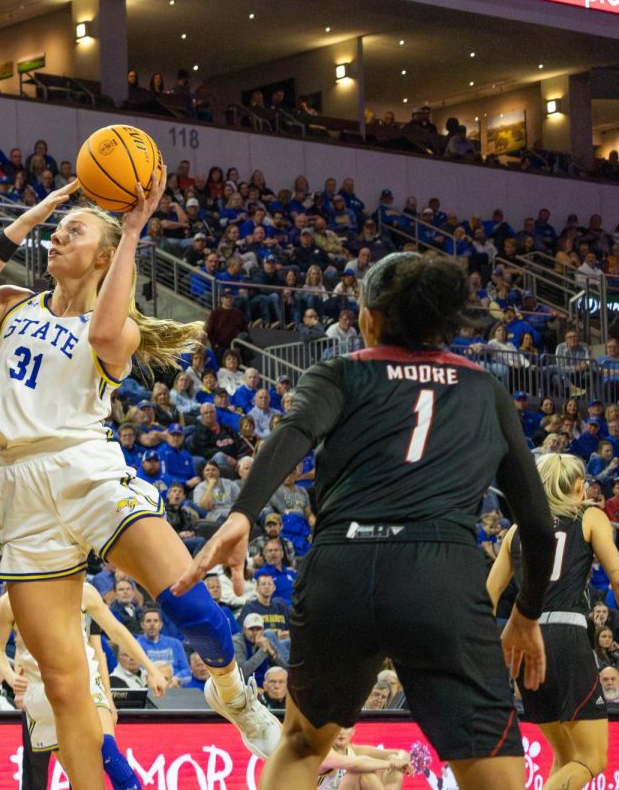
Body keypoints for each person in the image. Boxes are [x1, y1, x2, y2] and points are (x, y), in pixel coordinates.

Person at [0, 173, 279, 786]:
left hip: (86, 469)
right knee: (66, 690)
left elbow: (107, 334)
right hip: (17, 492)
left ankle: (230, 688)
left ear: (107, 256)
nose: (58, 237)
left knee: (190, 600)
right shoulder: (14, 301)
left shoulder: (122, 328)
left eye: (74, 230)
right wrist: (2, 238)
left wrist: (136, 228)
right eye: (57, 230)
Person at [175, 251, 556, 787]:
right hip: (439, 573)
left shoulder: (340, 372)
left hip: (342, 567)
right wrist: (527, 612)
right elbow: (538, 528)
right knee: (488, 764)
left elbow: (292, 433)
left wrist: (242, 512)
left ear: (368, 317)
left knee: (304, 745)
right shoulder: (485, 390)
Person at [487, 453, 615, 789]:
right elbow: (616, 572)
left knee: (567, 753)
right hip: (566, 635)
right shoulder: (589, 517)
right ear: (576, 485)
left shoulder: (516, 531)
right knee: (593, 759)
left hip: (523, 641)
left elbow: (489, 593)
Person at [0, 582, 166, 790]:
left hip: (85, 680)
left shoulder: (82, 589)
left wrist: (151, 669)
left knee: (106, 749)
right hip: (44, 693)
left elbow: (116, 631)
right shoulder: (9, 602)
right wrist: (11, 677)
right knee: (84, 779)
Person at [317, 726, 413, 790]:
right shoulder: (323, 751)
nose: (341, 732)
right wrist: (391, 764)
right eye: (337, 728)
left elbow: (403, 754)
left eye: (346, 727)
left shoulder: (355, 750)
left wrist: (398, 761)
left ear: (353, 731)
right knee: (358, 771)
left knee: (393, 758)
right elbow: (356, 764)